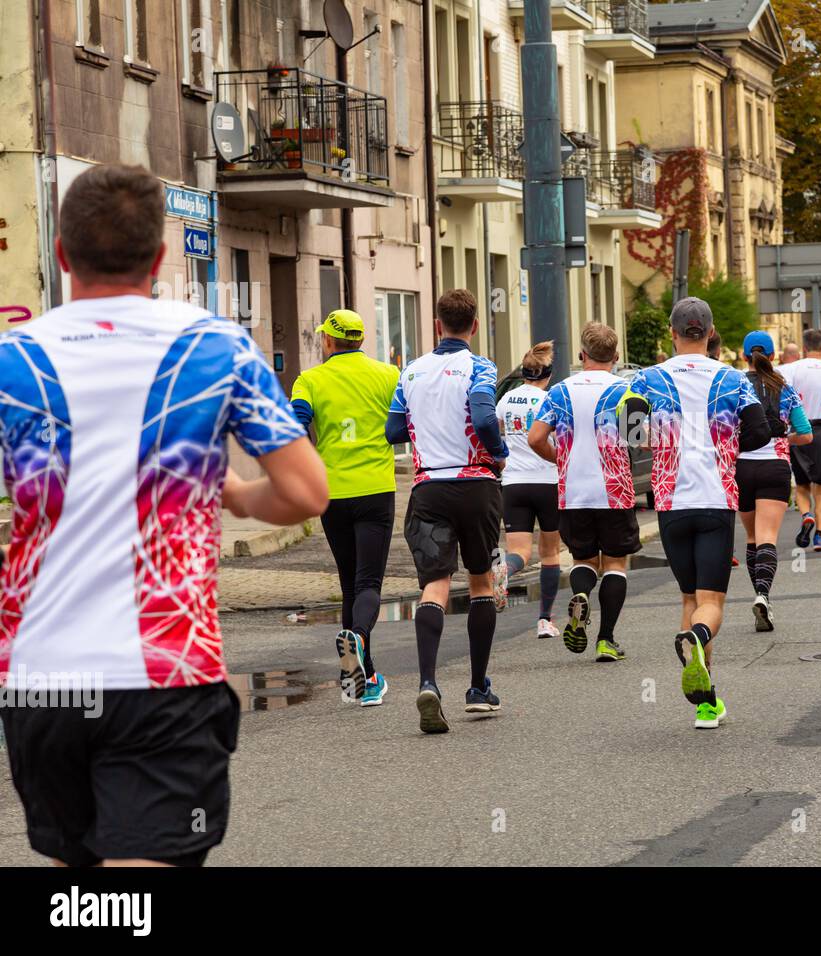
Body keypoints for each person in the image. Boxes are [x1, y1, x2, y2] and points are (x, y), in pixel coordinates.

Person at [0, 164, 328, 867]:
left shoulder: (11, 356)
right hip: (165, 672)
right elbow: (305, 494)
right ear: (157, 258)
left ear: (61, 255)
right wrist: (237, 495)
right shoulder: (216, 347)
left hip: (43, 677)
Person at [626, 298, 770, 729]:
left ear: (672, 333)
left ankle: (707, 701)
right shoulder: (732, 379)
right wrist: (724, 450)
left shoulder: (647, 378)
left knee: (689, 598)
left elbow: (630, 433)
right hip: (715, 499)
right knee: (711, 604)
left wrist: (660, 441)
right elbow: (760, 432)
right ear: (709, 334)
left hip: (670, 502)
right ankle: (698, 640)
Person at [387, 289, 509, 734]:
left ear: (438, 324)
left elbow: (393, 430)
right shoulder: (480, 366)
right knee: (480, 581)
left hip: (428, 487)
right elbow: (481, 416)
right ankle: (477, 689)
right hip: (475, 483)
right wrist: (499, 451)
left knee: (435, 586)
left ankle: (428, 682)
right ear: (473, 326)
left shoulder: (411, 371)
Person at [291, 308, 401, 706]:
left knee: (348, 583)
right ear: (360, 339)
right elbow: (406, 422)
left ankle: (363, 680)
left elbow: (296, 421)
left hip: (331, 492)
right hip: (375, 489)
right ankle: (359, 645)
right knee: (369, 584)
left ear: (328, 340)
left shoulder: (310, 379)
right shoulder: (388, 375)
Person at [528, 324, 641, 661]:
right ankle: (606, 640)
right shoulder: (627, 391)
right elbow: (634, 441)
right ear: (616, 357)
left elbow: (535, 438)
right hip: (615, 489)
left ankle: (580, 596)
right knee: (616, 563)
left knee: (583, 559)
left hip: (573, 490)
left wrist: (559, 457)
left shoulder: (559, 392)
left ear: (582, 355)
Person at [737, 330, 813, 630]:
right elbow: (806, 433)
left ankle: (759, 594)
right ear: (772, 356)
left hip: (741, 467)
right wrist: (785, 439)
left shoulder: (735, 386)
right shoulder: (784, 387)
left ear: (744, 356)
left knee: (752, 538)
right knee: (767, 535)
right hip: (774, 466)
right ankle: (763, 595)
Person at [496, 341, 562, 640]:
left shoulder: (507, 399)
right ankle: (545, 621)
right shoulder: (550, 400)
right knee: (549, 554)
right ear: (548, 374)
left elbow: (495, 431)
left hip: (514, 483)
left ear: (523, 373)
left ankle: (504, 573)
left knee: (519, 551)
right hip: (548, 481)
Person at [782, 328, 821, 552]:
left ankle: (806, 514)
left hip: (800, 429)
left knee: (802, 484)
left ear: (804, 348)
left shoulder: (791, 369)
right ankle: (820, 536)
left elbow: (784, 396)